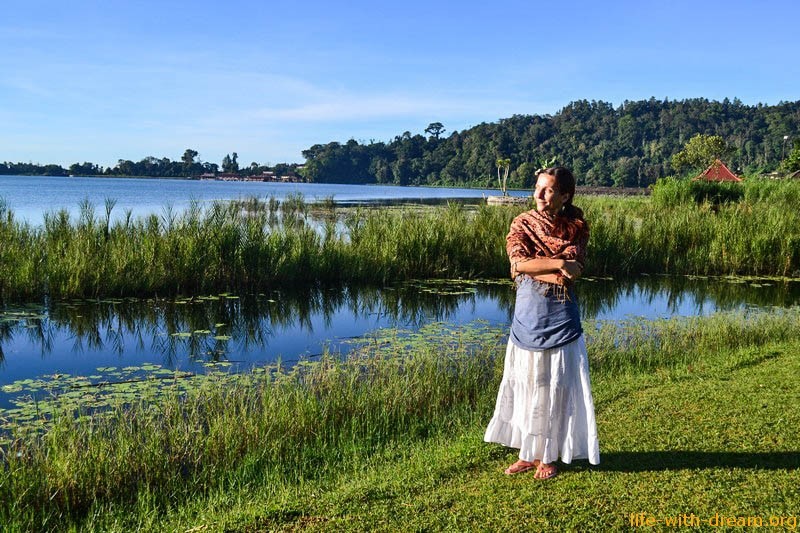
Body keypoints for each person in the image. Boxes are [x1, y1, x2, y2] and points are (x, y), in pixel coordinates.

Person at [483, 166, 600, 480]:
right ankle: (527, 453)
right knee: (526, 385)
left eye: (548, 190)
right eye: (538, 187)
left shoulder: (576, 227)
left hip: (561, 320)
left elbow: (574, 271)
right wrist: (559, 262)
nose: (539, 195)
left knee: (555, 389)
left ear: (564, 196)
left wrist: (539, 268)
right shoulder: (521, 222)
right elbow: (518, 262)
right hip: (527, 317)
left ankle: (547, 456)